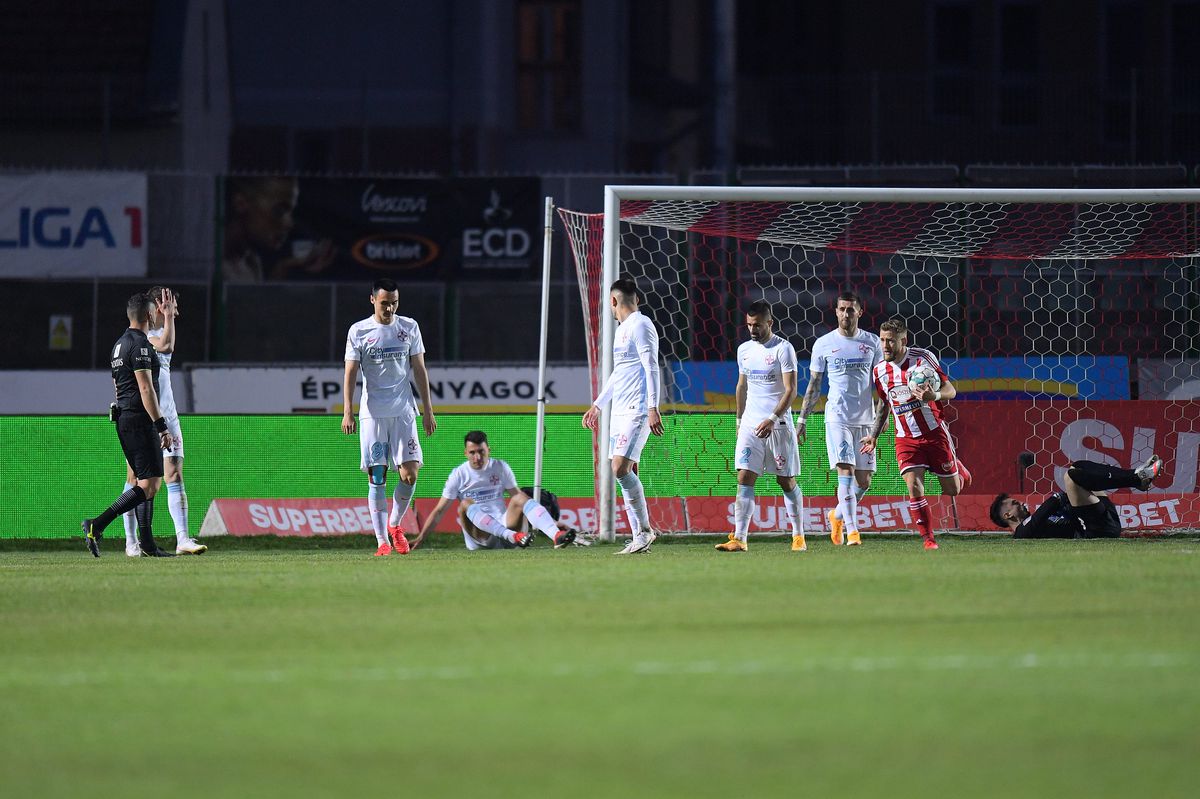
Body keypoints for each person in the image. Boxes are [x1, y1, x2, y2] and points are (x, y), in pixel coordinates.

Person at [342, 278, 437, 556]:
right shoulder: (359, 331)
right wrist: (348, 411)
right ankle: (382, 541)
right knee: (378, 475)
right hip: (373, 414)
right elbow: (350, 371)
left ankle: (395, 525)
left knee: (410, 474)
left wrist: (428, 410)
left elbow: (419, 368)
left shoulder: (409, 327)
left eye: (394, 303)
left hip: (404, 411)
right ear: (373, 300)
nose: (390, 309)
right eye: (385, 303)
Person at [860, 318, 972, 551]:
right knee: (914, 486)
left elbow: (950, 390)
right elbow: (884, 404)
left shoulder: (923, 359)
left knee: (952, 490)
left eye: (890, 341)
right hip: (905, 438)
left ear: (904, 340)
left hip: (934, 433)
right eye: (882, 340)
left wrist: (934, 396)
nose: (885, 346)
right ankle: (929, 539)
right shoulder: (879, 371)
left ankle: (957, 467)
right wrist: (874, 435)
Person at [82, 292, 177, 557]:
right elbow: (146, 389)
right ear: (149, 315)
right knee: (150, 485)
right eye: (154, 313)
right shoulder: (141, 345)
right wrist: (161, 426)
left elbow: (117, 385)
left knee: (144, 481)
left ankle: (147, 544)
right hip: (139, 420)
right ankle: (96, 525)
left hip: (124, 418)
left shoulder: (119, 345)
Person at [119, 287, 206, 556]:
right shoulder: (142, 338)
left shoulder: (159, 333)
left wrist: (168, 319)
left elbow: (167, 346)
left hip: (167, 414)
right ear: (158, 306)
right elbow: (166, 345)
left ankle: (183, 539)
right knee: (136, 479)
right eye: (172, 306)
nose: (175, 312)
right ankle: (131, 542)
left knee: (174, 474)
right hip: (145, 416)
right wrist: (168, 316)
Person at [716, 301, 808, 552]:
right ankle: (740, 538)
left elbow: (791, 390)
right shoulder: (744, 350)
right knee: (744, 476)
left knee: (785, 480)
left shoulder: (783, 349)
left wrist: (772, 418)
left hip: (778, 425)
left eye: (757, 325)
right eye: (749, 325)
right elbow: (742, 386)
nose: (752, 330)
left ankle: (798, 535)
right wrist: (739, 421)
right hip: (750, 424)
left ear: (770, 323)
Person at [582, 278, 664, 555]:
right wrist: (598, 405)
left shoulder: (641, 325)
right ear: (636, 298)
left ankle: (645, 531)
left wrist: (652, 407)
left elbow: (651, 367)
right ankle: (639, 537)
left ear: (613, 301)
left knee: (619, 468)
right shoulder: (622, 330)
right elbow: (619, 373)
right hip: (618, 411)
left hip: (637, 410)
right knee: (628, 472)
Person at [799, 291, 884, 547]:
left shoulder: (872, 342)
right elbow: (814, 385)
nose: (846, 313)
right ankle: (853, 532)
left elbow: (882, 383)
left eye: (850, 309)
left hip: (866, 420)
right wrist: (802, 420)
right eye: (842, 309)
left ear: (860, 312)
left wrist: (882, 417)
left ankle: (836, 516)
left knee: (864, 481)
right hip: (837, 418)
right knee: (845, 471)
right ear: (836, 312)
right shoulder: (824, 343)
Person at [409, 431, 577, 550]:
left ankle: (556, 536)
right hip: (480, 537)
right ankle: (511, 536)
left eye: (481, 452)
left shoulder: (500, 467)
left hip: (507, 527)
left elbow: (521, 501)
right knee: (465, 504)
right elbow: (439, 511)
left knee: (520, 498)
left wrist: (553, 522)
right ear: (465, 453)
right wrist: (421, 537)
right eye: (472, 453)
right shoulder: (458, 474)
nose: (477, 457)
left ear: (488, 450)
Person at [991, 456, 1162, 538]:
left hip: (1104, 519)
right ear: (1008, 515)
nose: (1020, 502)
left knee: (1077, 467)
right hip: (1097, 532)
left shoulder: (1037, 525)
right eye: (1014, 503)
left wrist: (1065, 499)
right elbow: (1050, 505)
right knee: (1071, 477)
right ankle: (1136, 479)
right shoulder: (1021, 534)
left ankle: (1136, 476)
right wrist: (1060, 497)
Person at [222, 176, 335, 282]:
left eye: (290, 212)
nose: (289, 224)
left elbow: (256, 298)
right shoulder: (215, 264)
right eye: (279, 211)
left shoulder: (251, 261)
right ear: (240, 203)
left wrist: (284, 269)